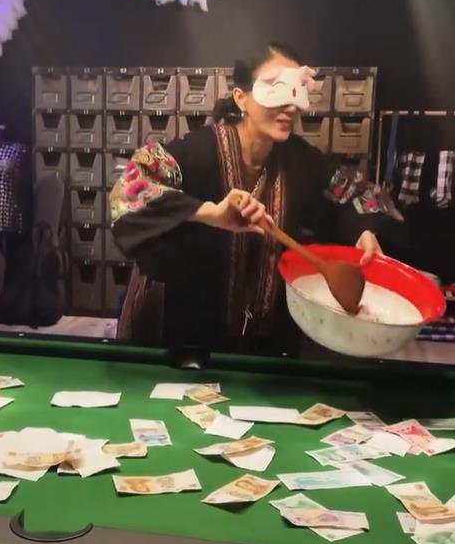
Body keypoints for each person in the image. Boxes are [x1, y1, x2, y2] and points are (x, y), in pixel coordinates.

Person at [108, 43, 383, 354]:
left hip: (273, 340)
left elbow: (355, 194)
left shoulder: (301, 158)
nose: (290, 107)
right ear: (241, 98)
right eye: (277, 88)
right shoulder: (197, 151)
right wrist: (209, 212)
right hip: (194, 335)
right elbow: (129, 188)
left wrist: (363, 229)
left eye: (297, 91)